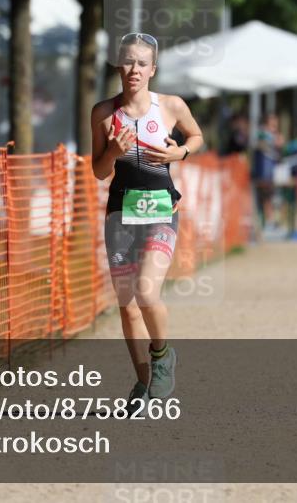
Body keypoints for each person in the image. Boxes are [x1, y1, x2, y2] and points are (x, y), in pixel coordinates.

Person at [91, 32, 203, 405]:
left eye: (141, 63)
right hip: (120, 214)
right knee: (127, 304)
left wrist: (182, 153)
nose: (134, 69)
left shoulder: (170, 106)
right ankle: (145, 386)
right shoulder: (103, 113)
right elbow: (99, 172)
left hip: (160, 211)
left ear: (152, 69)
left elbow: (197, 135)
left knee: (146, 291)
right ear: (118, 66)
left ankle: (162, 355)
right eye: (128, 61)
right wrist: (112, 150)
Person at [252, 113, 283, 234]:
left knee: (274, 199)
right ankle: (267, 222)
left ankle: (273, 221)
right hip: (264, 174)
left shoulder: (274, 135)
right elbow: (263, 144)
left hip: (274, 173)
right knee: (266, 199)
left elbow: (280, 146)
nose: (275, 124)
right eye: (272, 121)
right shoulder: (262, 134)